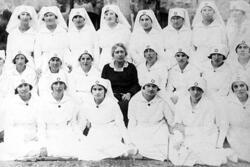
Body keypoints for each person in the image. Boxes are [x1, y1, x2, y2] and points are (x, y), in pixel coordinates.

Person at [169, 77, 233, 166]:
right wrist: (179, 139)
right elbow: (177, 124)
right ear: (189, 89)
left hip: (204, 137)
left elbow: (207, 129)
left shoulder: (209, 104)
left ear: (203, 91)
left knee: (200, 153)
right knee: (175, 154)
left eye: (199, 89)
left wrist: (186, 130)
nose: (195, 92)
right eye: (193, 89)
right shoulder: (182, 102)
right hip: (185, 137)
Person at [77, 78, 136, 160]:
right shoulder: (86, 105)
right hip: (95, 131)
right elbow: (81, 124)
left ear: (105, 91)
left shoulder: (112, 104)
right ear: (91, 91)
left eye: (100, 89)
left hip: (110, 131)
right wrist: (78, 138)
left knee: (112, 151)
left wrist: (129, 142)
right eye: (95, 89)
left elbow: (120, 124)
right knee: (88, 153)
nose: (97, 92)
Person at [128, 75, 174, 161]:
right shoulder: (134, 100)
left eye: (154, 86)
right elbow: (132, 121)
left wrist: (174, 133)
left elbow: (170, 120)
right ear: (143, 87)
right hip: (141, 127)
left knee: (162, 140)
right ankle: (142, 153)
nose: (151, 89)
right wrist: (130, 138)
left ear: (157, 89)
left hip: (158, 127)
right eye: (148, 86)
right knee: (138, 140)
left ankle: (153, 155)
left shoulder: (162, 101)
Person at [37, 74, 82, 158]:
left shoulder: (70, 102)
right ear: (51, 86)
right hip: (50, 135)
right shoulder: (44, 102)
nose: (58, 86)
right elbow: (41, 126)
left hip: (66, 134)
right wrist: (43, 145)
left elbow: (73, 124)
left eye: (61, 83)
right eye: (55, 83)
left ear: (65, 86)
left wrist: (79, 138)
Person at [0, 77, 41, 160]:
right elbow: (8, 126)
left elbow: (40, 123)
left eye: (26, 85)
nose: (23, 88)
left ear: (30, 86)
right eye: (20, 86)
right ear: (16, 89)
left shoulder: (38, 101)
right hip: (18, 136)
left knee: (40, 149)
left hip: (34, 136)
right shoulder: (11, 102)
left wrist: (37, 136)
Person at [101, 43, 140, 126]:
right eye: (117, 52)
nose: (120, 54)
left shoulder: (131, 67)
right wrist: (110, 95)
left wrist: (130, 93)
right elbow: (103, 85)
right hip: (111, 95)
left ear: (125, 54)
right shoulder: (107, 68)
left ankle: (125, 129)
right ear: (113, 55)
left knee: (124, 105)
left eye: (122, 52)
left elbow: (136, 84)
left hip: (126, 96)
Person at [34, 6, 70, 73]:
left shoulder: (62, 31)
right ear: (43, 18)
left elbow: (66, 49)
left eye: (51, 15)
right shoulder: (40, 33)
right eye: (46, 16)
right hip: (44, 62)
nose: (49, 18)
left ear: (55, 17)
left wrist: (68, 63)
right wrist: (38, 66)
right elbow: (37, 52)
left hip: (60, 61)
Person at [223, 74, 250, 162]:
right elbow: (224, 123)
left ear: (247, 86)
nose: (239, 89)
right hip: (235, 134)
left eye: (242, 85)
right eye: (236, 86)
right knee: (244, 154)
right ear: (233, 89)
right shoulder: (228, 102)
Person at [192, 1, 228, 66]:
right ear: (201, 12)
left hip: (214, 60)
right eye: (204, 10)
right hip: (198, 60)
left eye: (209, 10)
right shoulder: (197, 27)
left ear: (214, 12)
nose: (207, 13)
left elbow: (224, 45)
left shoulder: (219, 27)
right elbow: (193, 46)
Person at [96, 4, 131, 70]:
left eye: (111, 14)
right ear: (104, 17)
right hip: (105, 61)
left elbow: (129, 48)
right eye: (106, 14)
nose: (109, 16)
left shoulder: (125, 30)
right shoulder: (99, 32)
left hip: (121, 60)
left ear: (116, 16)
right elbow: (97, 51)